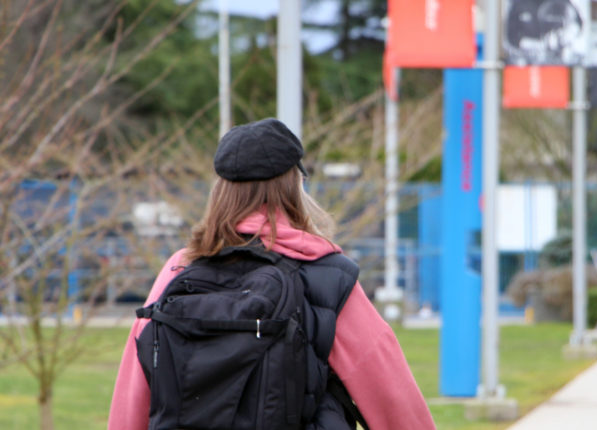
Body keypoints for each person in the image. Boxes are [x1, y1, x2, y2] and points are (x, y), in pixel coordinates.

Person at [108, 118, 436, 430]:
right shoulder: (328, 275)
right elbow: (392, 395)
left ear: (220, 191)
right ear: (294, 186)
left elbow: (135, 385)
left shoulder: (180, 268)